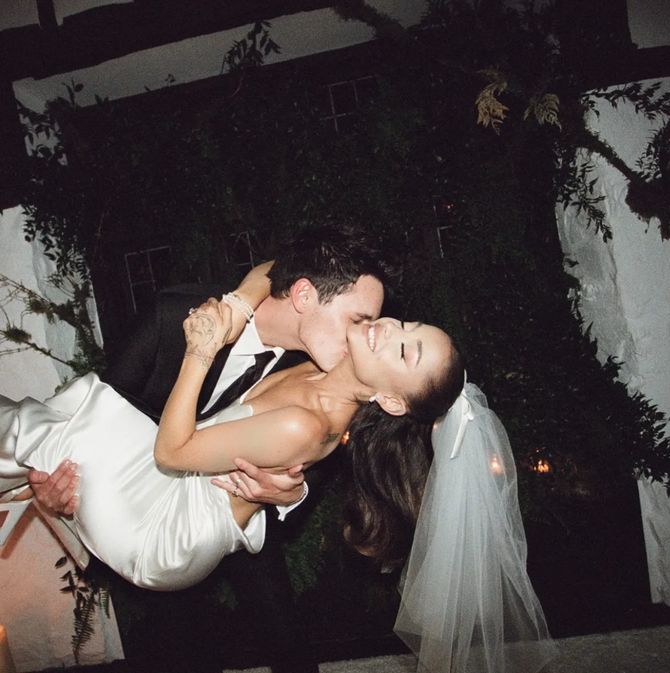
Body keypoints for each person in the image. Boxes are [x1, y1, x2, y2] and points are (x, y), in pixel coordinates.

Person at [1, 286, 557, 673]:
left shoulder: (307, 423)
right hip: (173, 478)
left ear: (390, 399)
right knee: (42, 434)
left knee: (42, 431)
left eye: (405, 348)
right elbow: (273, 270)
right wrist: (237, 306)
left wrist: (201, 349)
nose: (388, 326)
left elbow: (172, 452)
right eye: (407, 325)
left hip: (166, 529)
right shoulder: (319, 352)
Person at [10, 226, 388, 673]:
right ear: (304, 295)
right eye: (358, 320)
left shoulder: (314, 363)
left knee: (285, 634)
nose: (367, 336)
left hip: (233, 502)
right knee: (179, 646)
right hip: (146, 508)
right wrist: (55, 500)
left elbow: (321, 449)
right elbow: (99, 425)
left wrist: (292, 494)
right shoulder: (171, 319)